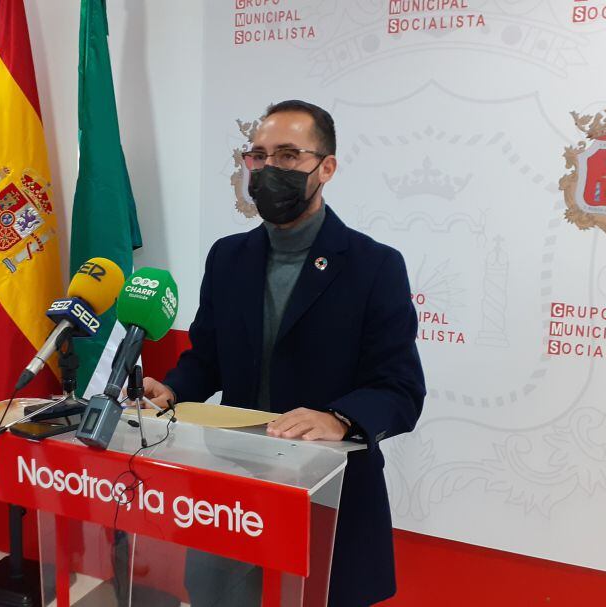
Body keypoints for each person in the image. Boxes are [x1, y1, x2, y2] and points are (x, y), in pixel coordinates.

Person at [141, 99, 426, 606]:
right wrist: (172, 388)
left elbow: (400, 389)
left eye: (290, 155)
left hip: (328, 488)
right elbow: (206, 357)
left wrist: (339, 417)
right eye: (260, 155)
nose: (271, 169)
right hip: (233, 481)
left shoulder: (374, 265)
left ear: (327, 167)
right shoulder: (228, 257)